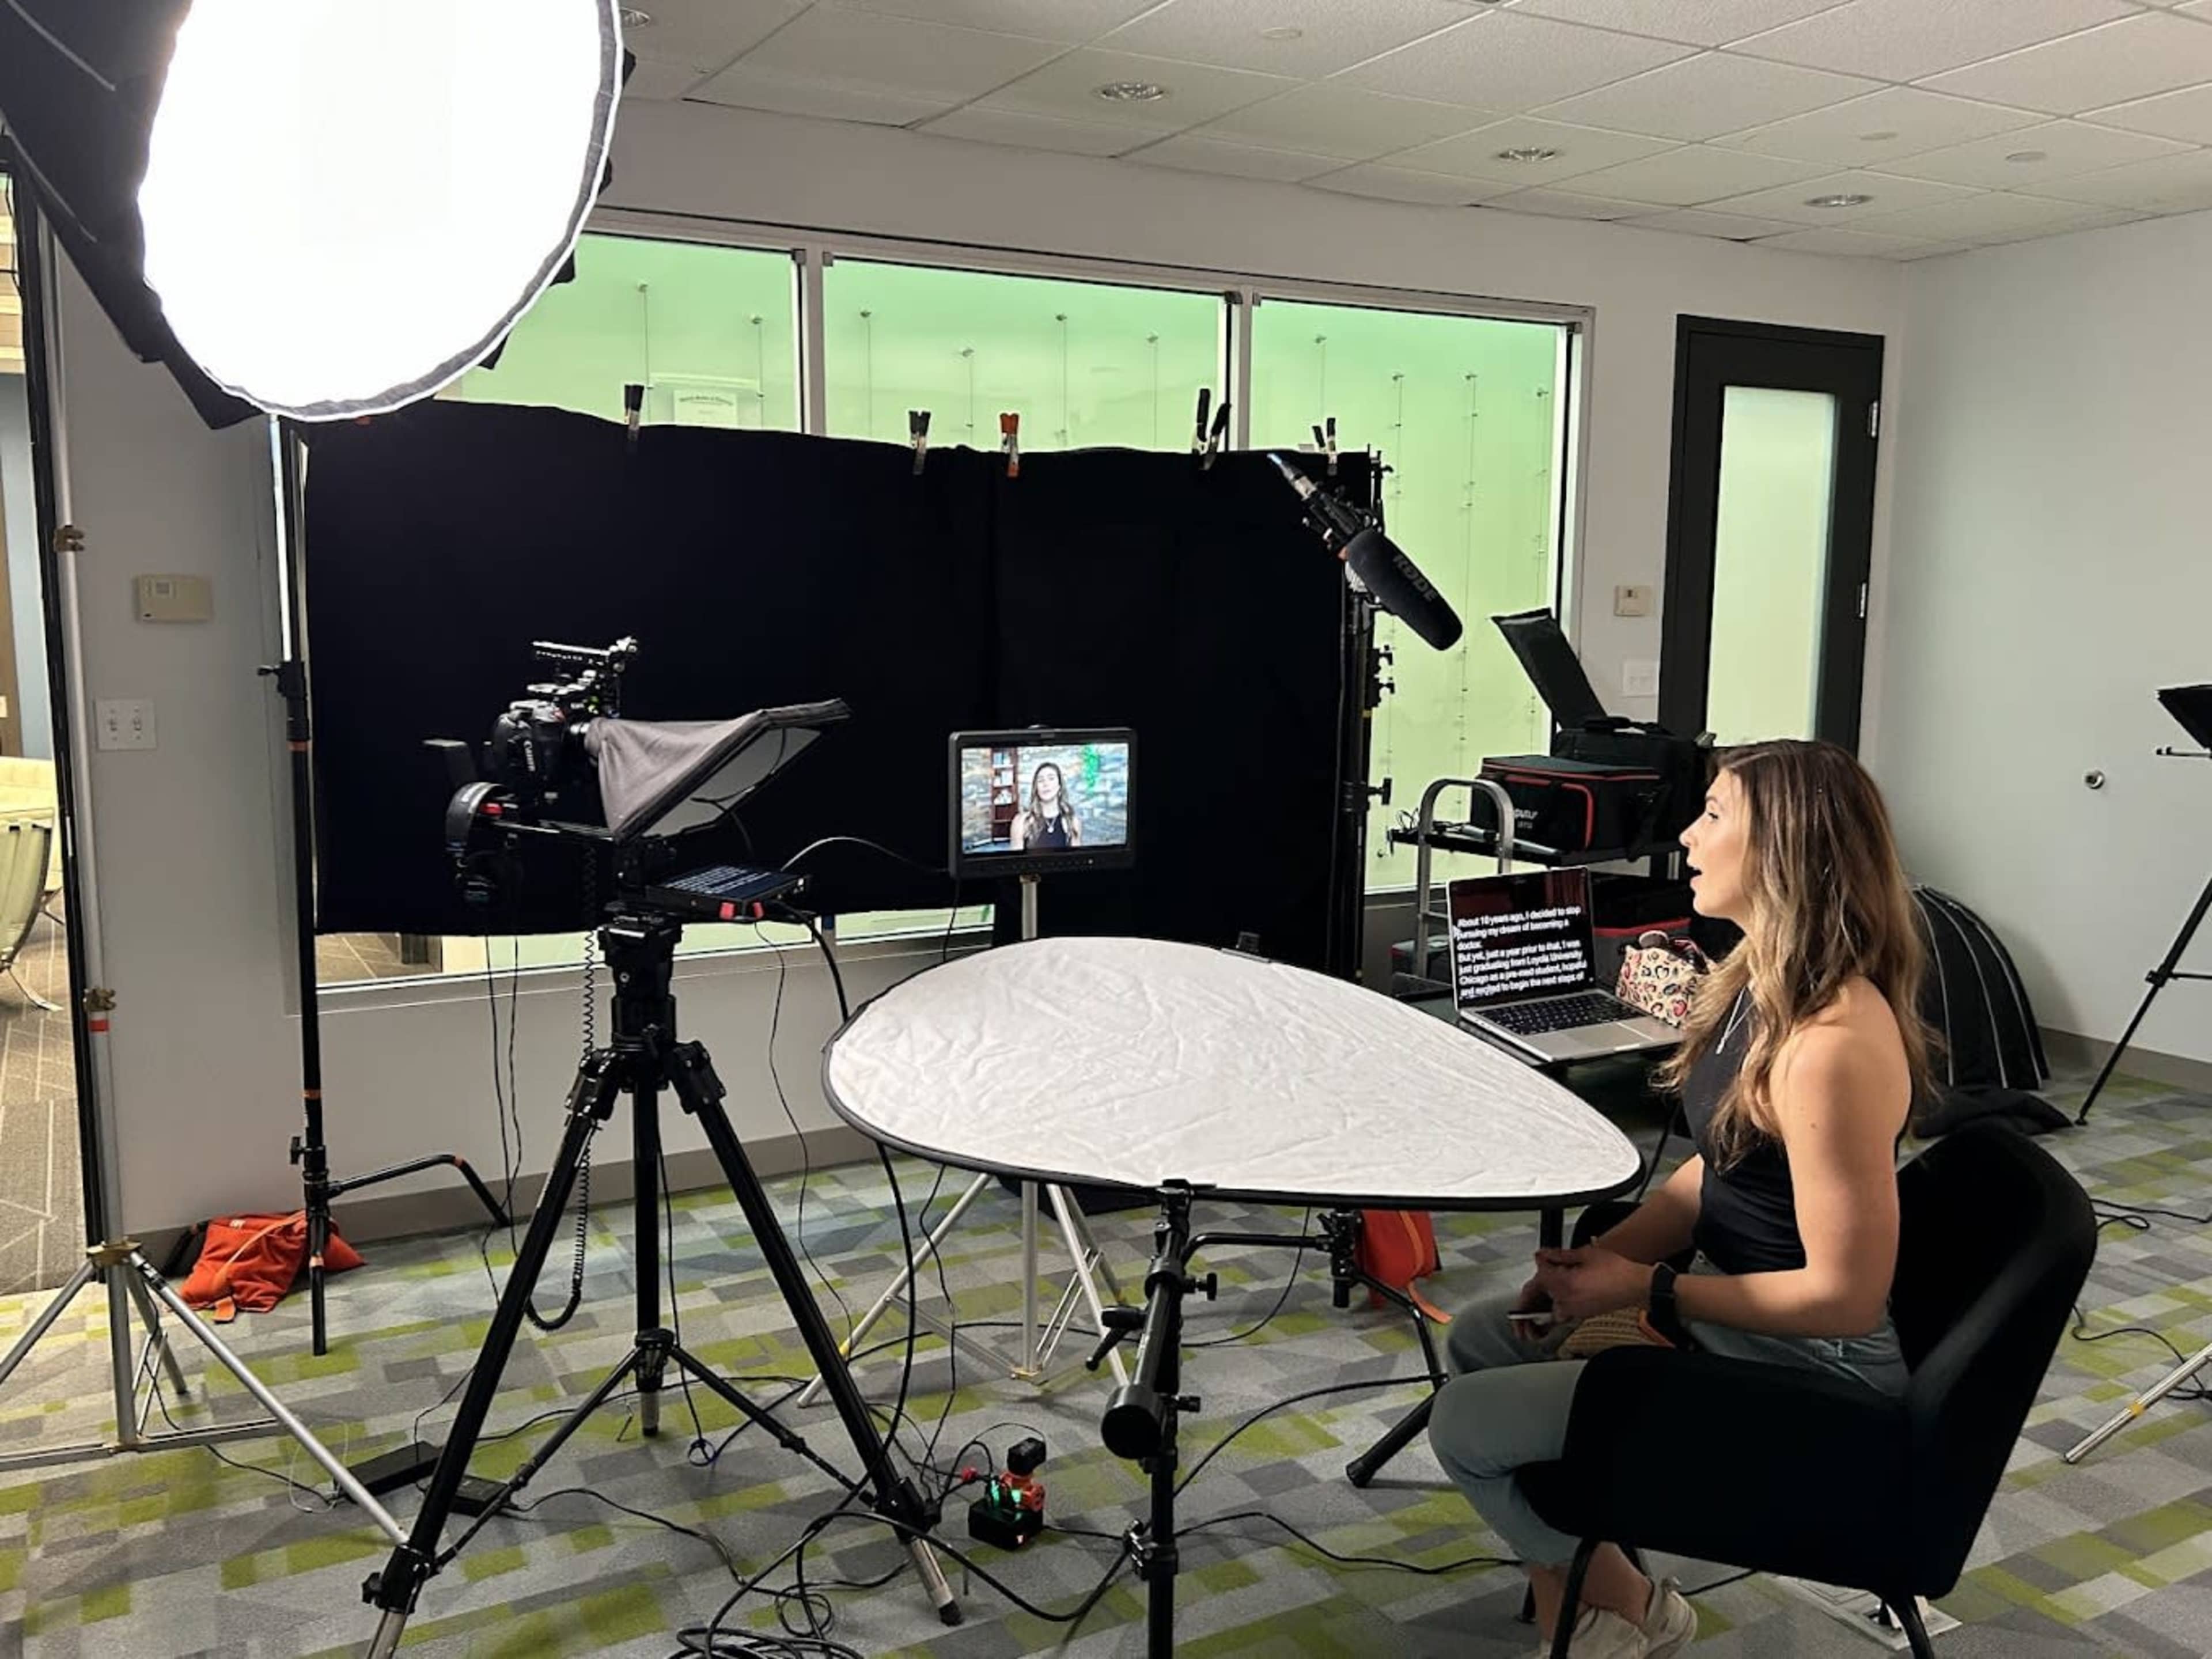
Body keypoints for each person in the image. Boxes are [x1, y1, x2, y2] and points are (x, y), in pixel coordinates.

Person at [1429, 740, 1929, 1658]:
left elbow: (1846, 1299)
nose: (1689, 836)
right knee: (1482, 1337)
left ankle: (1623, 1607)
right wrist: (1613, 1255)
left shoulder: (1832, 1043)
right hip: (1741, 1321)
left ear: (1785, 851)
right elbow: (1718, 1169)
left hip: (1816, 1369)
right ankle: (1594, 1595)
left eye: (1714, 816)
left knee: (1465, 1425)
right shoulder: (1759, 984)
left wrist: (1643, 1291)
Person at [1008, 760, 1081, 851]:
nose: (1046, 784)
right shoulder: (1021, 822)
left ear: (1059, 786)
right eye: (1041, 780)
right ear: (1036, 788)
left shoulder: (1072, 822)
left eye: (1051, 779)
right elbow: (1015, 862)